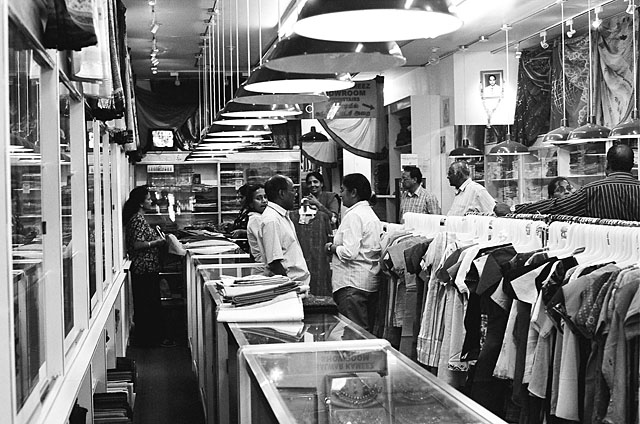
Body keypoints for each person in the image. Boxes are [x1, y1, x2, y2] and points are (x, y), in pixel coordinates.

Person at [514, 144, 640, 220]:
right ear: (632, 165)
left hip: (602, 253)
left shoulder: (592, 191)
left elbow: (557, 206)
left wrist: (516, 209)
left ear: (607, 165)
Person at [325, 173, 383, 332]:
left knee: (354, 335)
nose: (340, 194)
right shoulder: (371, 215)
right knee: (363, 333)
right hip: (366, 281)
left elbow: (349, 252)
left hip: (352, 284)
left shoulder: (354, 216)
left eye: (343, 190)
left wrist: (332, 248)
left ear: (354, 192)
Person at [123, 186, 173, 348]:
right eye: (148, 199)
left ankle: (151, 337)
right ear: (140, 203)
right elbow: (137, 244)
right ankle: (150, 339)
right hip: (143, 267)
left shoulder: (140, 218)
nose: (151, 201)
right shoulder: (137, 219)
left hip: (148, 267)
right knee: (148, 304)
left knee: (149, 303)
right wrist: (156, 242)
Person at [261, 175, 310, 285]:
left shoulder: (282, 216)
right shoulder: (272, 220)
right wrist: (289, 286)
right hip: (290, 286)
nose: (295, 194)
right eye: (292, 190)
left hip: (297, 284)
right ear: (281, 193)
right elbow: (274, 262)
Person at [244, 184, 269, 273]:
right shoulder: (256, 219)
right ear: (251, 204)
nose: (264, 201)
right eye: (259, 198)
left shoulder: (263, 217)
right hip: (262, 268)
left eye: (266, 197)